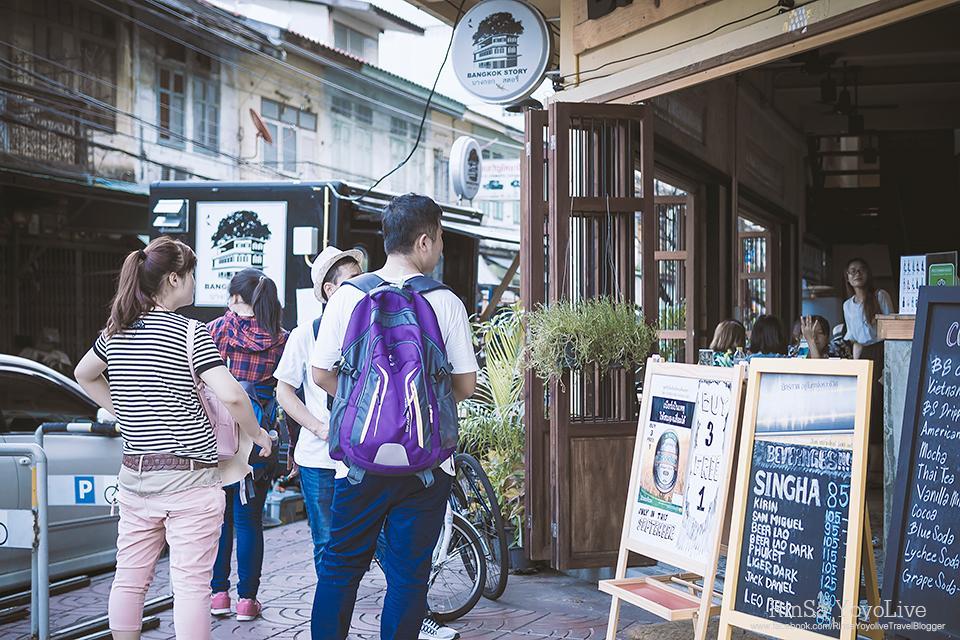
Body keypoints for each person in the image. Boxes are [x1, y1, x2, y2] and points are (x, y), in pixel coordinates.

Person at [74, 238, 273, 640]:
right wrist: (258, 435)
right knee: (190, 588)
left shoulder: (117, 331)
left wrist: (125, 413)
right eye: (193, 274)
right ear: (174, 278)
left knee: (129, 580)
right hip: (190, 481)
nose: (196, 282)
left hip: (136, 478)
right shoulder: (190, 333)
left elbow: (84, 373)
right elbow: (233, 394)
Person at [309, 194, 477, 640]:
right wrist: (415, 407)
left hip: (358, 462)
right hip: (425, 464)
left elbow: (320, 372)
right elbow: (465, 386)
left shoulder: (347, 296)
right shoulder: (446, 302)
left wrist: (366, 405)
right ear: (424, 241)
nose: (439, 249)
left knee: (340, 568)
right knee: (408, 576)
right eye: (439, 240)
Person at [207, 269, 289, 622]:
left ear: (238, 297)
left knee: (221, 519)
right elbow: (286, 394)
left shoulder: (217, 329)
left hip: (217, 438)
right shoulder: (281, 339)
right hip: (258, 441)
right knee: (250, 520)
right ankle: (247, 600)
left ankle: (219, 595)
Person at [275, 246, 362, 573]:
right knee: (325, 540)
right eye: (353, 280)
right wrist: (318, 428)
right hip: (319, 456)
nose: (362, 287)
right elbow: (284, 391)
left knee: (370, 537)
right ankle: (333, 615)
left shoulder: (371, 329)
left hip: (363, 452)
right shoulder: (304, 335)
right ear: (330, 290)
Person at [842, 257, 894, 480]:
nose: (856, 274)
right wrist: (856, 370)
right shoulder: (847, 305)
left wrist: (889, 366)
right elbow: (855, 340)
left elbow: (892, 331)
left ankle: (880, 465)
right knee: (867, 407)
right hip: (863, 356)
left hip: (883, 352)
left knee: (882, 407)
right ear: (847, 278)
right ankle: (871, 467)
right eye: (852, 271)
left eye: (861, 270)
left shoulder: (880, 296)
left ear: (868, 274)